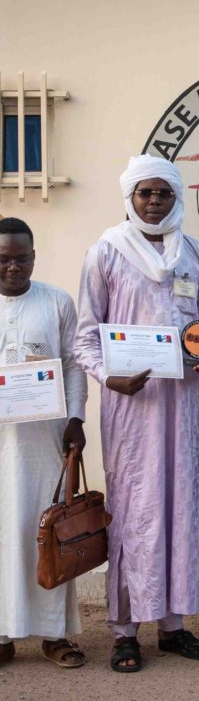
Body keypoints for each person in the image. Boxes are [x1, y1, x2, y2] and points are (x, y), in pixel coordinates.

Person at [74, 155, 199, 672]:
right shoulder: (107, 252)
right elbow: (87, 336)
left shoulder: (196, 254)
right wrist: (107, 377)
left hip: (181, 405)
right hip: (131, 407)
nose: (154, 201)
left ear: (176, 197)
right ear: (129, 197)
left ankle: (174, 625)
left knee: (181, 508)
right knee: (135, 510)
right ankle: (125, 630)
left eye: (163, 193)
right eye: (145, 193)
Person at [0, 217, 87, 668]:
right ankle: (2, 634)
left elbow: (73, 365)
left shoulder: (56, 301)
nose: (13, 267)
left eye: (21, 258)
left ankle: (55, 636)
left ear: (34, 257)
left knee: (49, 534)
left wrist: (75, 418)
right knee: (3, 536)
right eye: (3, 259)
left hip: (45, 442)